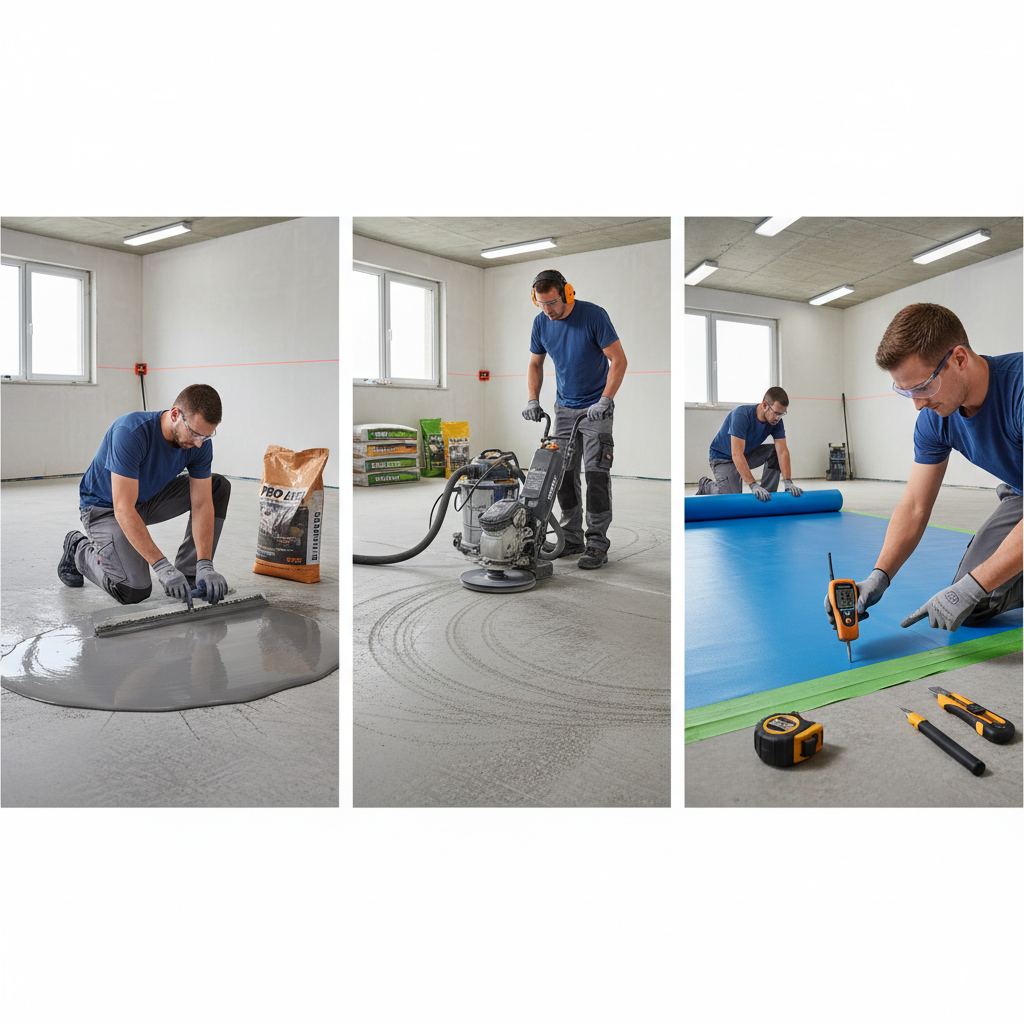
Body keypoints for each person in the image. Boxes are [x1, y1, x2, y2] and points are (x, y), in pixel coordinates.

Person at [825, 303, 1022, 632]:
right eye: (906, 391)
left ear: (959, 359)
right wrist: (880, 575)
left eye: (922, 387)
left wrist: (976, 583)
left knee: (974, 587)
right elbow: (915, 504)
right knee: (972, 606)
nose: (918, 404)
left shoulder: (1019, 388)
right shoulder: (935, 419)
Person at [57, 383, 232, 606]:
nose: (199, 443)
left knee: (217, 486)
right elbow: (123, 508)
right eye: (195, 433)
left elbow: (202, 503)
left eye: (206, 436)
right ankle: (78, 550)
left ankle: (190, 573)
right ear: (175, 414)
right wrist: (161, 566)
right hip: (106, 509)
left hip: (147, 499)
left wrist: (205, 563)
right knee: (132, 590)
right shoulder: (130, 432)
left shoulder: (199, 444)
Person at [522, 269, 627, 569]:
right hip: (564, 410)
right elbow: (535, 363)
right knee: (563, 475)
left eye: (552, 303)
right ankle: (571, 536)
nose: (548, 310)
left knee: (595, 475)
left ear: (568, 293)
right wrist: (532, 399)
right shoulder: (541, 323)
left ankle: (596, 543)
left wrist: (606, 399)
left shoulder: (594, 316)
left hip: (596, 408)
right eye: (541, 304)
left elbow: (618, 360)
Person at [695, 387, 804, 501]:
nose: (778, 418)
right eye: (776, 413)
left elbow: (782, 451)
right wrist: (753, 485)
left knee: (774, 451)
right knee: (732, 499)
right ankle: (706, 485)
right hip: (722, 458)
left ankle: (767, 494)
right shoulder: (741, 415)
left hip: (745, 454)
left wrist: (788, 481)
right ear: (764, 405)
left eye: (782, 414)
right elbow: (736, 454)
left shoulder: (776, 422)